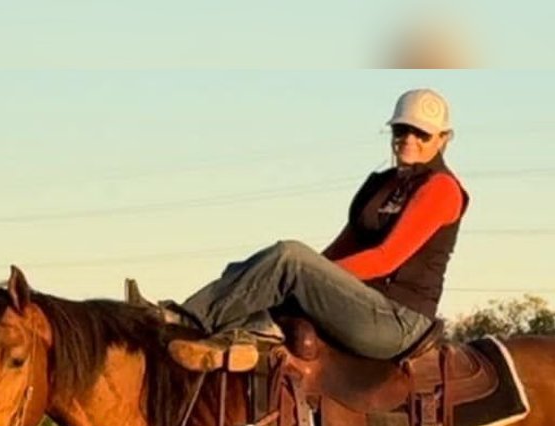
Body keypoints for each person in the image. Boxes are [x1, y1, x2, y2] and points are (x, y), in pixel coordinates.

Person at [166, 88, 470, 372]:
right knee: (255, 272)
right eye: (401, 129)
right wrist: (294, 280)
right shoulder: (381, 185)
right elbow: (333, 254)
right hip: (361, 302)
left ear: (444, 138)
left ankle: (185, 320)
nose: (409, 139)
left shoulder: (441, 189)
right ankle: (233, 339)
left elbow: (383, 259)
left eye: (422, 134)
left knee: (290, 258)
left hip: (398, 320)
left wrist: (302, 278)